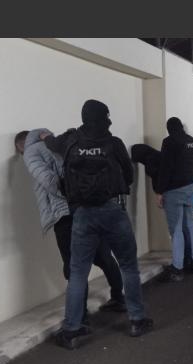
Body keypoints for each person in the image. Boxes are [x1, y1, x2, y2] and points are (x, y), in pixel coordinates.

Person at [44, 99, 153, 349]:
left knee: (78, 272)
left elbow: (51, 143)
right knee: (128, 266)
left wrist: (44, 136)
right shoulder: (114, 143)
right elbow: (128, 175)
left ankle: (72, 330)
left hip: (82, 214)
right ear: (104, 118)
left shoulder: (70, 141)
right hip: (113, 210)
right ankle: (137, 320)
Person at [15, 129, 127, 319]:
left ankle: (79, 317)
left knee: (73, 265)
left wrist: (66, 195)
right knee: (103, 256)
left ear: (21, 146)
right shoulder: (58, 142)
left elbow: (49, 181)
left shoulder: (30, 152)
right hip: (87, 207)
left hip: (64, 213)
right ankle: (119, 298)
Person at [131, 143, 193, 262]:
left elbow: (158, 178)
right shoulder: (161, 156)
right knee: (185, 226)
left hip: (171, 195)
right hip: (182, 191)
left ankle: (183, 261)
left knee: (177, 230)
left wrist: (159, 193)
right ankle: (192, 259)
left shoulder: (150, 161)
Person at [153, 117, 193, 282]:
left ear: (169, 129)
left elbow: (165, 168)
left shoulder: (169, 142)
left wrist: (159, 191)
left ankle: (177, 268)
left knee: (176, 230)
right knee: (190, 225)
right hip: (188, 187)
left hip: (173, 191)